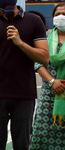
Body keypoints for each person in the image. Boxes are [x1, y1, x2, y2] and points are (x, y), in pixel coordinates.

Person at [0, 0, 50, 149]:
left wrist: (20, 43)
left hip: (24, 95)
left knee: (22, 144)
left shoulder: (34, 20)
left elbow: (44, 58)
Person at [30, 3, 65, 149]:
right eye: (57, 14)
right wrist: (52, 81)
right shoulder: (44, 38)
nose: (61, 17)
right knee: (41, 133)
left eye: (64, 13)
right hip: (49, 92)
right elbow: (38, 64)